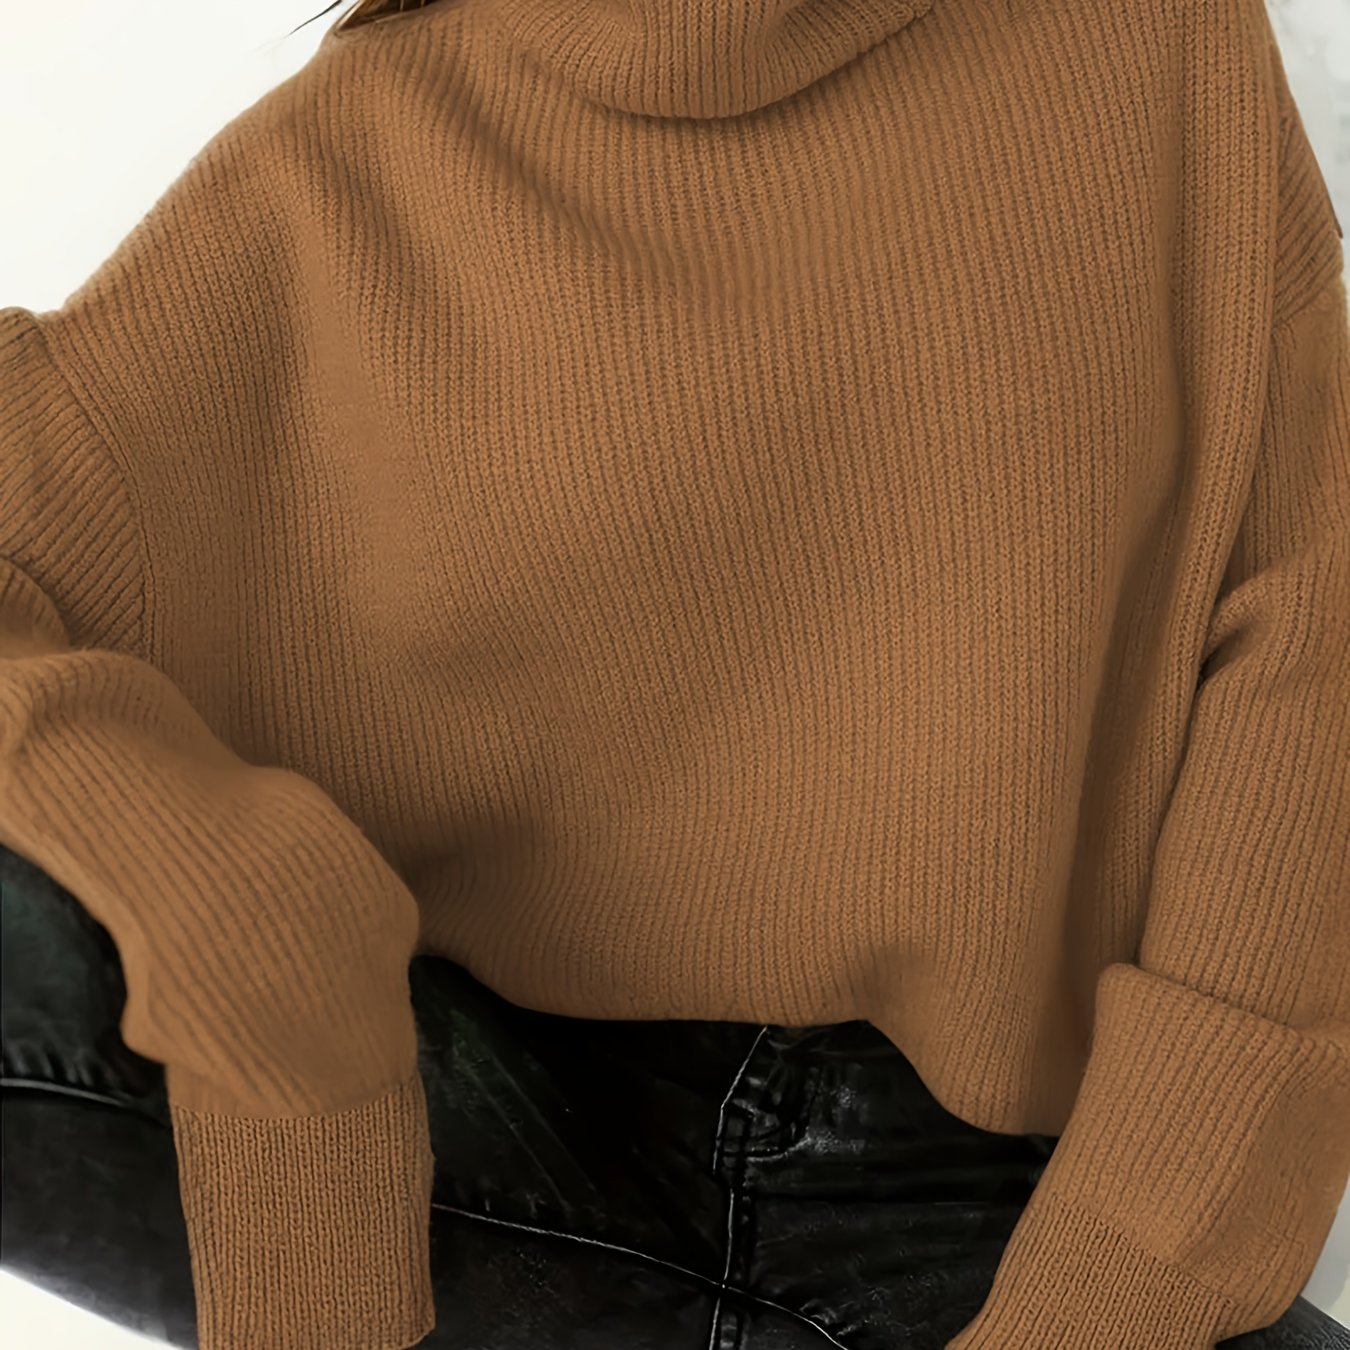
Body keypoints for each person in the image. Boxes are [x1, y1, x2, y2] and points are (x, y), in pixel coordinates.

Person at [2, 1, 1348, 1347]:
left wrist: (1110, 1293)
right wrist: (250, 920)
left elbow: (1306, 678)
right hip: (467, 1123)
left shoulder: (1146, 50)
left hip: (996, 1209)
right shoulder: (352, 148)